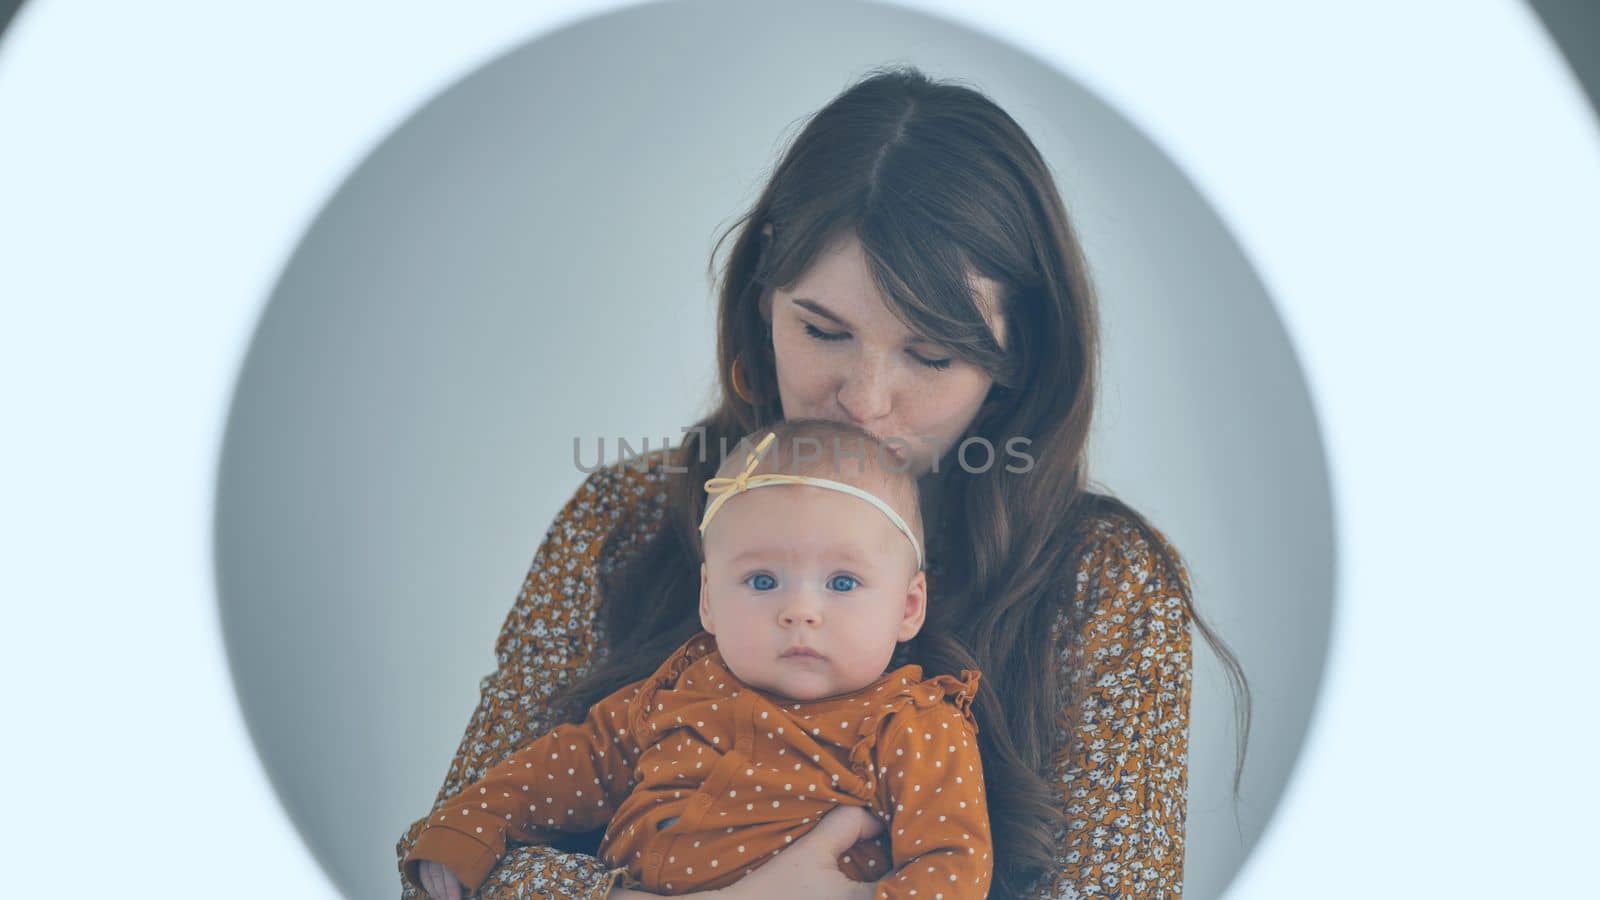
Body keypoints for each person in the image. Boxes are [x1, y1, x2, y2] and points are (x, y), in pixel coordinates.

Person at [396, 65, 1249, 899]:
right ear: (764, 300)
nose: (865, 404)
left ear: (1016, 362)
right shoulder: (620, 521)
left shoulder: (1100, 580)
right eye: (824, 331)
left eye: (931, 354)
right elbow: (449, 856)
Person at [402, 422, 992, 899]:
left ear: (909, 606)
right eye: (762, 580)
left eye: (843, 582)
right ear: (709, 599)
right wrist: (468, 826)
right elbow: (562, 766)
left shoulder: (911, 724)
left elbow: (951, 864)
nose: (799, 610)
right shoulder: (676, 689)